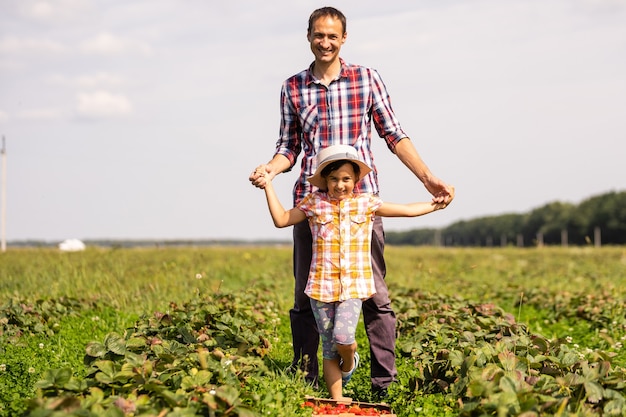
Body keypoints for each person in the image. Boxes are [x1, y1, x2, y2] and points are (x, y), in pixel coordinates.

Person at [249, 6, 454, 399]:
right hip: (313, 209)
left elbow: (394, 135)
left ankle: (383, 384)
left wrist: (428, 179)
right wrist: (271, 171)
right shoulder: (293, 87)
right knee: (306, 296)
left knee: (375, 294)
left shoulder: (366, 78)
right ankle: (308, 381)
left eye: (332, 36)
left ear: (344, 39)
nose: (325, 42)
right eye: (318, 35)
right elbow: (288, 147)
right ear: (308, 36)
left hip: (360, 206)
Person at [260, 144, 454, 400]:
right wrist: (268, 186)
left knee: (343, 338)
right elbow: (282, 219)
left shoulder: (366, 204)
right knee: (329, 350)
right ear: (325, 181)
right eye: (333, 179)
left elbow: (406, 210)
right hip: (321, 288)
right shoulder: (314, 204)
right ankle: (337, 401)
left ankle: (350, 364)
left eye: (346, 179)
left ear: (355, 180)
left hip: (352, 288)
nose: (340, 185)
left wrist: (436, 205)